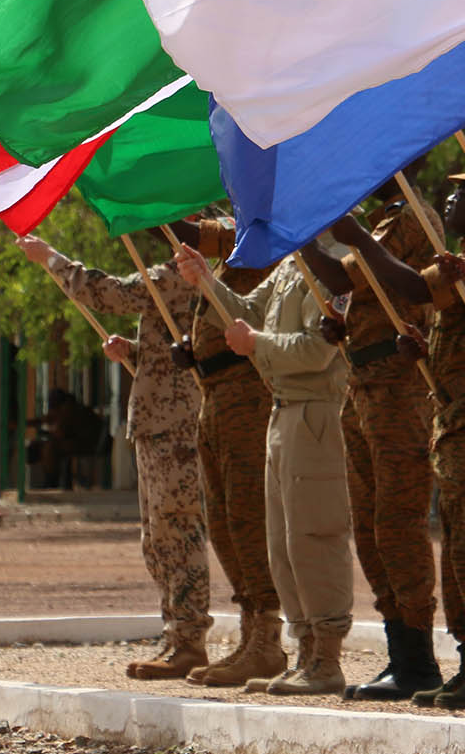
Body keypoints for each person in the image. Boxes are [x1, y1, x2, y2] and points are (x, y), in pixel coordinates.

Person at [330, 160, 465, 710]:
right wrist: (426, 350)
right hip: (452, 415)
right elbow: (433, 302)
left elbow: (417, 285)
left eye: (460, 195)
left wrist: (360, 241)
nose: (446, 203)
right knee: (458, 548)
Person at [20, 235, 209, 680]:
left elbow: (112, 294)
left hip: (174, 427)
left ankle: (188, 640)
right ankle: (177, 635)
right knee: (158, 539)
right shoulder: (176, 277)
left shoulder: (179, 275)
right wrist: (136, 353)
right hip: (157, 424)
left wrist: (53, 259)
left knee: (177, 533)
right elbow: (175, 350)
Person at [178, 242, 353, 697]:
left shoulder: (336, 266)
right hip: (283, 411)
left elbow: (319, 350)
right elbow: (248, 309)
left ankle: (327, 658)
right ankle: (304, 651)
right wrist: (207, 282)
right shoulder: (292, 262)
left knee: (315, 536)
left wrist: (258, 344)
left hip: (315, 414)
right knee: (283, 543)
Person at [311, 180, 444, 702]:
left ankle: (418, 657)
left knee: (398, 522)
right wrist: (303, 237)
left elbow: (415, 288)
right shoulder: (388, 217)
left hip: (399, 388)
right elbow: (343, 278)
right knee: (369, 525)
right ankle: (400, 652)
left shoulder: (416, 212)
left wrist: (358, 237)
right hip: (363, 383)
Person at [180, 247, 286, 688]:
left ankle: (268, 636)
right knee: (222, 523)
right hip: (215, 395)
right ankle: (250, 632)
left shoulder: (260, 239)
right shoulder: (232, 247)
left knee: (247, 517)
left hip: (246, 396)